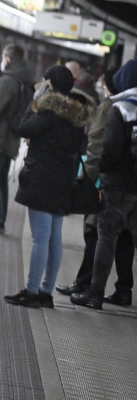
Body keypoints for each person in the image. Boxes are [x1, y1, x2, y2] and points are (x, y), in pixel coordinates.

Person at [3, 66, 92, 308]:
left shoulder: (48, 110)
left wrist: (35, 103)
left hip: (42, 179)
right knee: (54, 238)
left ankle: (32, 292)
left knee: (40, 239)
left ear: (49, 84)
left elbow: (23, 127)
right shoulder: (75, 114)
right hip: (63, 180)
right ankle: (46, 291)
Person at [58, 65, 135, 304]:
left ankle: (94, 292)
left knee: (105, 237)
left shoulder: (119, 108)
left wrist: (100, 172)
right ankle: (123, 291)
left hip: (117, 183)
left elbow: (109, 148)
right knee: (127, 239)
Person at [0, 44, 34, 233]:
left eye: (3, 57)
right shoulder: (24, 80)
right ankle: (0, 218)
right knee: (1, 177)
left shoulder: (8, 81)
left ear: (8, 59)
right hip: (11, 138)